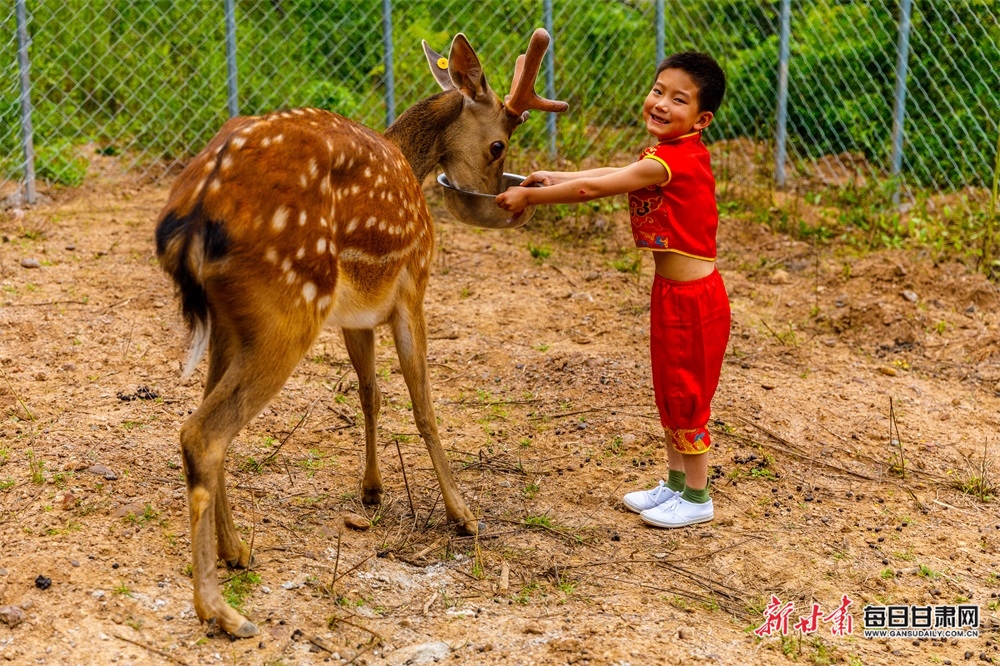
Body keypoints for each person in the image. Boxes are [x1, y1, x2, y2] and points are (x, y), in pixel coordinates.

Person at [496, 52, 729, 528]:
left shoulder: (673, 163)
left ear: (701, 119)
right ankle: (675, 484)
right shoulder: (664, 155)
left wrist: (530, 195)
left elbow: (594, 191)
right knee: (668, 390)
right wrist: (553, 176)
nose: (661, 103)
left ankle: (698, 498)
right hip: (670, 294)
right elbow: (607, 175)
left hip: (694, 303)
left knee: (686, 394)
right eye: (658, 90)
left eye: (677, 100)